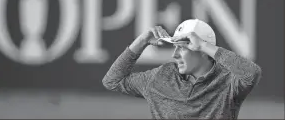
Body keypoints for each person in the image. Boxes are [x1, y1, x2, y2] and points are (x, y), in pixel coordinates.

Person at [102, 19, 262, 119]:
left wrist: (204, 45)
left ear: (202, 51)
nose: (175, 55)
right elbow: (112, 81)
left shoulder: (228, 83)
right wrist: (141, 41)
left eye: (182, 48)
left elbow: (251, 73)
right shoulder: (159, 77)